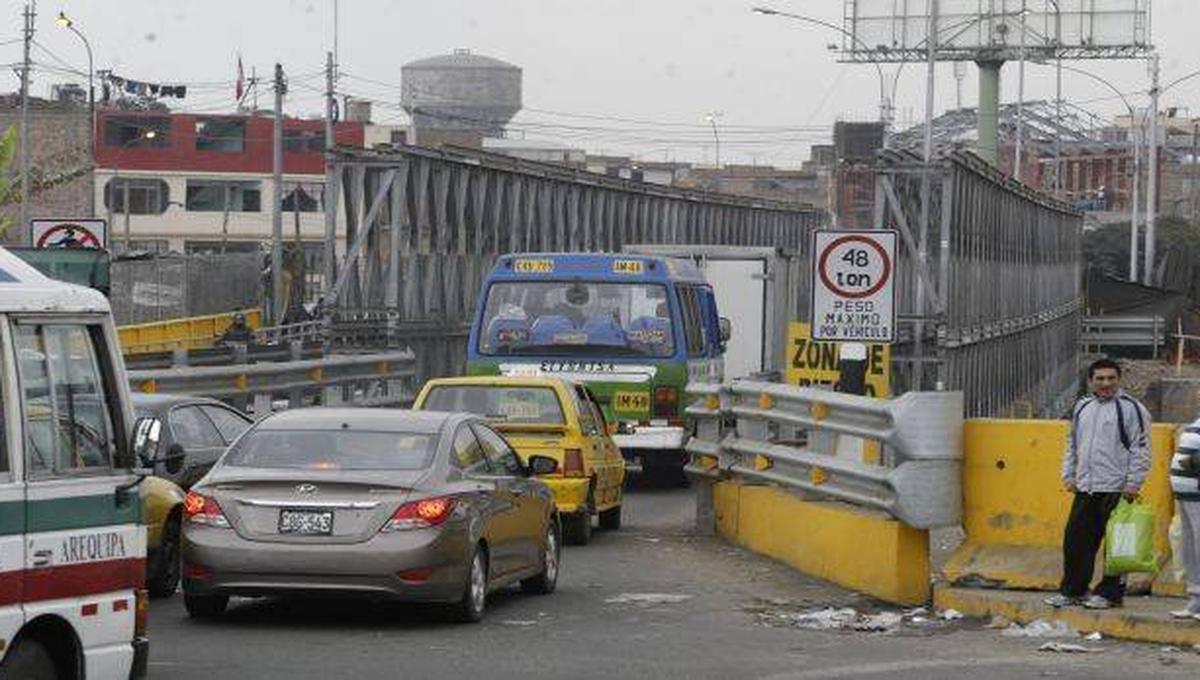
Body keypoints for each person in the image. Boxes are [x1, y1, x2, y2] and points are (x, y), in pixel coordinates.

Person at [1045, 358, 1151, 610]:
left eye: (1111, 378)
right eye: (1100, 379)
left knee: (1117, 548)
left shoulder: (1132, 409)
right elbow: (1072, 444)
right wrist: (1069, 476)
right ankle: (1074, 591)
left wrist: (1133, 483)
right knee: (1076, 542)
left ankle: (1110, 594)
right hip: (1086, 488)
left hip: (1118, 488)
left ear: (1119, 380)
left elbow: (1141, 449)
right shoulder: (1082, 407)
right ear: (1090, 381)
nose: (1106, 383)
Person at [1169, 417, 1200, 619]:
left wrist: (1193, 461)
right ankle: (1196, 599)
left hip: (1197, 493)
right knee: (1190, 548)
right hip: (1185, 494)